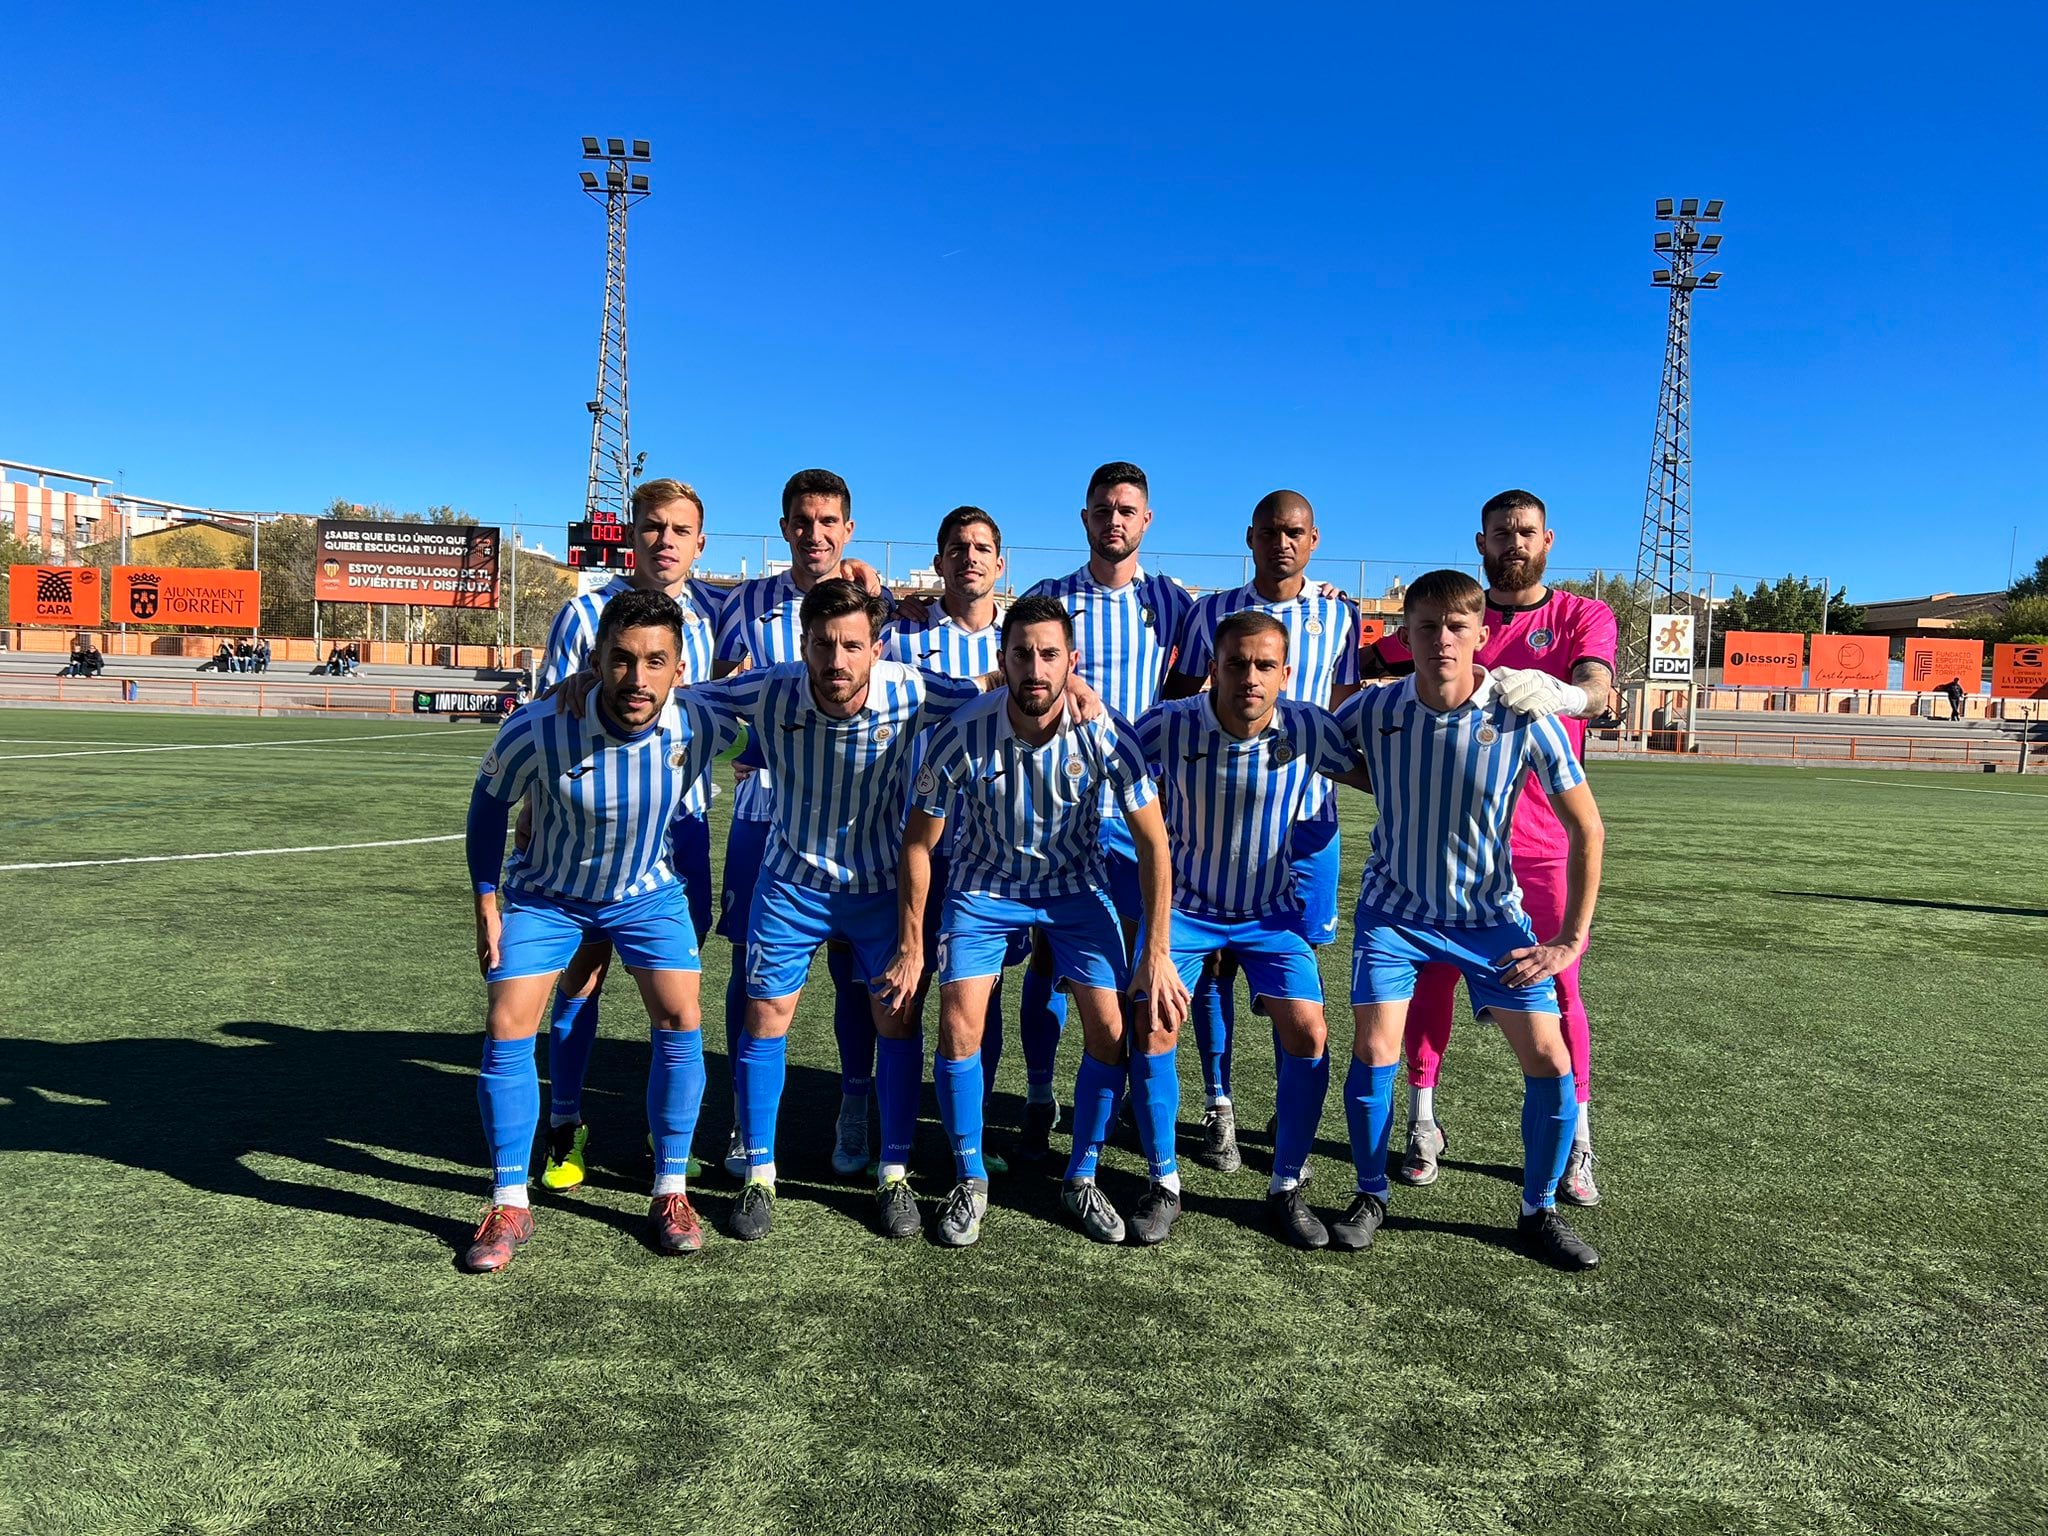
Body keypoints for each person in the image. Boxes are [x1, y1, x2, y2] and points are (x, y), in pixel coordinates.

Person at [879, 596, 1186, 1246]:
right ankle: (970, 1177)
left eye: (1049, 654)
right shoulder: (962, 731)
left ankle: (1081, 1175)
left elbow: (1155, 843)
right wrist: (912, 944)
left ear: (1072, 662)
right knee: (959, 1019)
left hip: (1075, 888)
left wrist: (1155, 952)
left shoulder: (1106, 734)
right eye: (1022, 653)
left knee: (1110, 1029)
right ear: (1003, 659)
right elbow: (917, 841)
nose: (1035, 667)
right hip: (984, 886)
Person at [690, 580, 988, 1242]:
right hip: (791, 883)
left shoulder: (910, 688)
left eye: (852, 645)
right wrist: (588, 686)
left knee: (898, 1020)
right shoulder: (771, 688)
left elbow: (989, 696)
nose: (837, 660)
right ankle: (760, 1173)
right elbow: (684, 698)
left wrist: (1074, 692)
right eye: (823, 645)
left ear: (875, 648)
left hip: (882, 888)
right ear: (804, 645)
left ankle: (894, 1171)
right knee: (766, 1016)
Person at [460, 589, 743, 1272]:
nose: (636, 679)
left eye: (655, 662)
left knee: (681, 1017)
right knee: (507, 1023)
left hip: (645, 895)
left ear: (679, 670)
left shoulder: (699, 721)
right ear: (596, 659)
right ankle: (508, 1202)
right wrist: (487, 900)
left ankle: (670, 1190)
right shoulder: (538, 727)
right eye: (620, 659)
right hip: (547, 895)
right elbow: (488, 809)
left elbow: (791, 703)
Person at [1331, 569, 1606, 1270]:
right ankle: (1369, 1194)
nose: (1442, 641)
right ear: (1408, 637)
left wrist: (1569, 939)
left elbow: (1588, 830)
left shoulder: (1521, 714)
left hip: (1490, 919)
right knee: (1374, 1052)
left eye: (1457, 628)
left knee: (1550, 1059)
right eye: (1426, 628)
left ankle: (1537, 1210)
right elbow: (1330, 750)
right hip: (1394, 916)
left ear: (1483, 636)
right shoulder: (1379, 709)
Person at [1367, 489, 1618, 1207]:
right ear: (1480, 542)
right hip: (1446, 844)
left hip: (1538, 846)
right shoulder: (1458, 616)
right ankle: (1422, 1123)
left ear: (1549, 540)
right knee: (1427, 988)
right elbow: (1372, 656)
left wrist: (1567, 697)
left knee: (1559, 990)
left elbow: (1597, 687)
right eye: (1502, 533)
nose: (1515, 542)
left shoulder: (1580, 615)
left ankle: (1577, 1143)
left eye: (1527, 532)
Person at [1138, 611, 1369, 1246]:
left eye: (1265, 665)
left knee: (1309, 1029)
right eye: (1235, 663)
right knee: (1155, 1022)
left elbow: (1384, 778)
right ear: (1213, 667)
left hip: (1270, 913)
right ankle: (1163, 1181)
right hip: (1183, 910)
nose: (1249, 676)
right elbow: (1107, 772)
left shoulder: (1308, 728)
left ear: (1287, 674)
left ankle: (1287, 1186)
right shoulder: (1171, 723)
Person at [524, 478, 728, 1192]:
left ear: (700, 544)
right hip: (589, 835)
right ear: (631, 535)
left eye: (680, 529)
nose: (665, 540)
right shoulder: (585, 614)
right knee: (582, 978)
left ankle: (661, 1136)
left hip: (681, 830)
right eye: (652, 526)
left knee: (671, 993)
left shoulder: (712, 620)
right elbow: (545, 721)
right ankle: (565, 1124)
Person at [1160, 489, 1361, 1171]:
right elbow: (1183, 699)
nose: (1283, 542)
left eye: (1296, 532)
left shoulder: (1340, 613)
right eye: (1271, 531)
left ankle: (1289, 1111)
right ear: (1250, 537)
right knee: (1210, 967)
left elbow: (1343, 711)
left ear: (1314, 540)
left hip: (1305, 827)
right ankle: (1219, 1103)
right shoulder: (1209, 609)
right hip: (1216, 818)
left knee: (1292, 972)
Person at [711, 470, 889, 1179]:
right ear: (784, 528)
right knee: (748, 970)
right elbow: (722, 700)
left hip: (850, 823)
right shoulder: (745, 605)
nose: (814, 535)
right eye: (801, 522)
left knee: (856, 975)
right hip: (765, 816)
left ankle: (853, 1104)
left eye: (828, 523)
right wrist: (738, 747)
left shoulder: (870, 606)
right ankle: (741, 1117)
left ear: (847, 530)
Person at [1012, 462, 1192, 1160]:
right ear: (1084, 519)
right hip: (1052, 809)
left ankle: (1112, 1099)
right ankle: (1036, 1092)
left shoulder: (1174, 601)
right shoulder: (1050, 595)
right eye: (1101, 509)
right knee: (1047, 961)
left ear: (1145, 520)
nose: (1113, 520)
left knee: (1121, 961)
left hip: (1131, 810)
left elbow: (1212, 658)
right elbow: (1016, 660)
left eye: (1126, 509)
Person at [879, 506, 1019, 1160]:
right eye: (957, 547)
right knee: (900, 991)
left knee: (979, 999)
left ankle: (974, 1126)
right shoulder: (904, 641)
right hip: (914, 846)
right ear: (938, 562)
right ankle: (881, 1122)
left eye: (982, 547)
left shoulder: (1020, 646)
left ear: (1001, 563)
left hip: (989, 855)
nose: (970, 557)